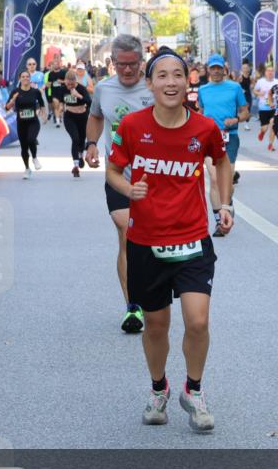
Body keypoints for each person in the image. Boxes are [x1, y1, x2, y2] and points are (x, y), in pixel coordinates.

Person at [106, 46, 233, 431]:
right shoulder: (132, 126)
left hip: (193, 239)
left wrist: (225, 205)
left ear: (188, 80)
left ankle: (193, 390)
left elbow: (222, 161)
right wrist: (128, 190)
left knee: (198, 321)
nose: (171, 82)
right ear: (150, 84)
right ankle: (159, 387)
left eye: (177, 74)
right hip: (146, 242)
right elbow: (113, 171)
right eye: (162, 76)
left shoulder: (204, 128)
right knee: (156, 325)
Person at [85, 34, 155, 334]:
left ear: (142, 62)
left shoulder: (154, 88)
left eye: (132, 64)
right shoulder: (104, 88)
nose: (127, 70)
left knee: (151, 243)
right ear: (112, 62)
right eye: (120, 64)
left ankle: (153, 293)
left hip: (154, 178)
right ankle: (133, 306)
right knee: (127, 232)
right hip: (118, 175)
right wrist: (91, 143)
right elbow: (95, 116)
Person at [198, 54, 249, 237]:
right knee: (214, 179)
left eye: (219, 68)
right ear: (208, 70)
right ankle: (220, 221)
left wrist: (235, 119)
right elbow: (200, 113)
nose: (216, 71)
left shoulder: (234, 87)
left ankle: (227, 203)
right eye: (213, 68)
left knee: (226, 178)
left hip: (230, 137)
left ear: (224, 69)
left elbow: (245, 112)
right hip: (209, 138)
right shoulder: (203, 90)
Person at [5, 70, 47, 178]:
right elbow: (7, 108)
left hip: (33, 122)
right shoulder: (15, 92)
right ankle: (27, 169)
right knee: (24, 147)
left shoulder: (35, 92)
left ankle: (35, 158)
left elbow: (42, 104)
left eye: (27, 76)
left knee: (31, 139)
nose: (25, 78)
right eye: (23, 77)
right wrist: (13, 100)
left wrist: (43, 114)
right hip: (21, 123)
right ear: (20, 78)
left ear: (30, 78)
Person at [53, 68, 92, 178]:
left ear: (75, 81)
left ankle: (80, 155)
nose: (70, 86)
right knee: (75, 139)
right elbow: (61, 101)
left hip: (82, 117)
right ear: (65, 81)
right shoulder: (62, 89)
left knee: (82, 139)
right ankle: (75, 166)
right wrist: (60, 108)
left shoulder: (81, 88)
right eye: (68, 84)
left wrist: (78, 95)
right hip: (69, 117)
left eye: (72, 84)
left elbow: (89, 102)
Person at [254, 64, 278, 150]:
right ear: (265, 72)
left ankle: (270, 144)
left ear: (274, 72)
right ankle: (262, 132)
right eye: (268, 71)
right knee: (265, 128)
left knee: (273, 124)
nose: (270, 72)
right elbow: (255, 90)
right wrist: (259, 93)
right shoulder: (260, 81)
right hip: (263, 108)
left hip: (274, 107)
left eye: (272, 71)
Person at [45, 55, 67, 127]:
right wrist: (48, 84)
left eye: (57, 64)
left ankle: (59, 116)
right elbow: (48, 84)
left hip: (62, 92)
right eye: (54, 64)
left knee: (61, 107)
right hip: (54, 92)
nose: (56, 65)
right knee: (56, 106)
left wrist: (62, 81)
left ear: (59, 64)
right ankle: (57, 122)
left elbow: (67, 81)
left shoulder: (63, 72)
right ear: (53, 65)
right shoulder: (50, 74)